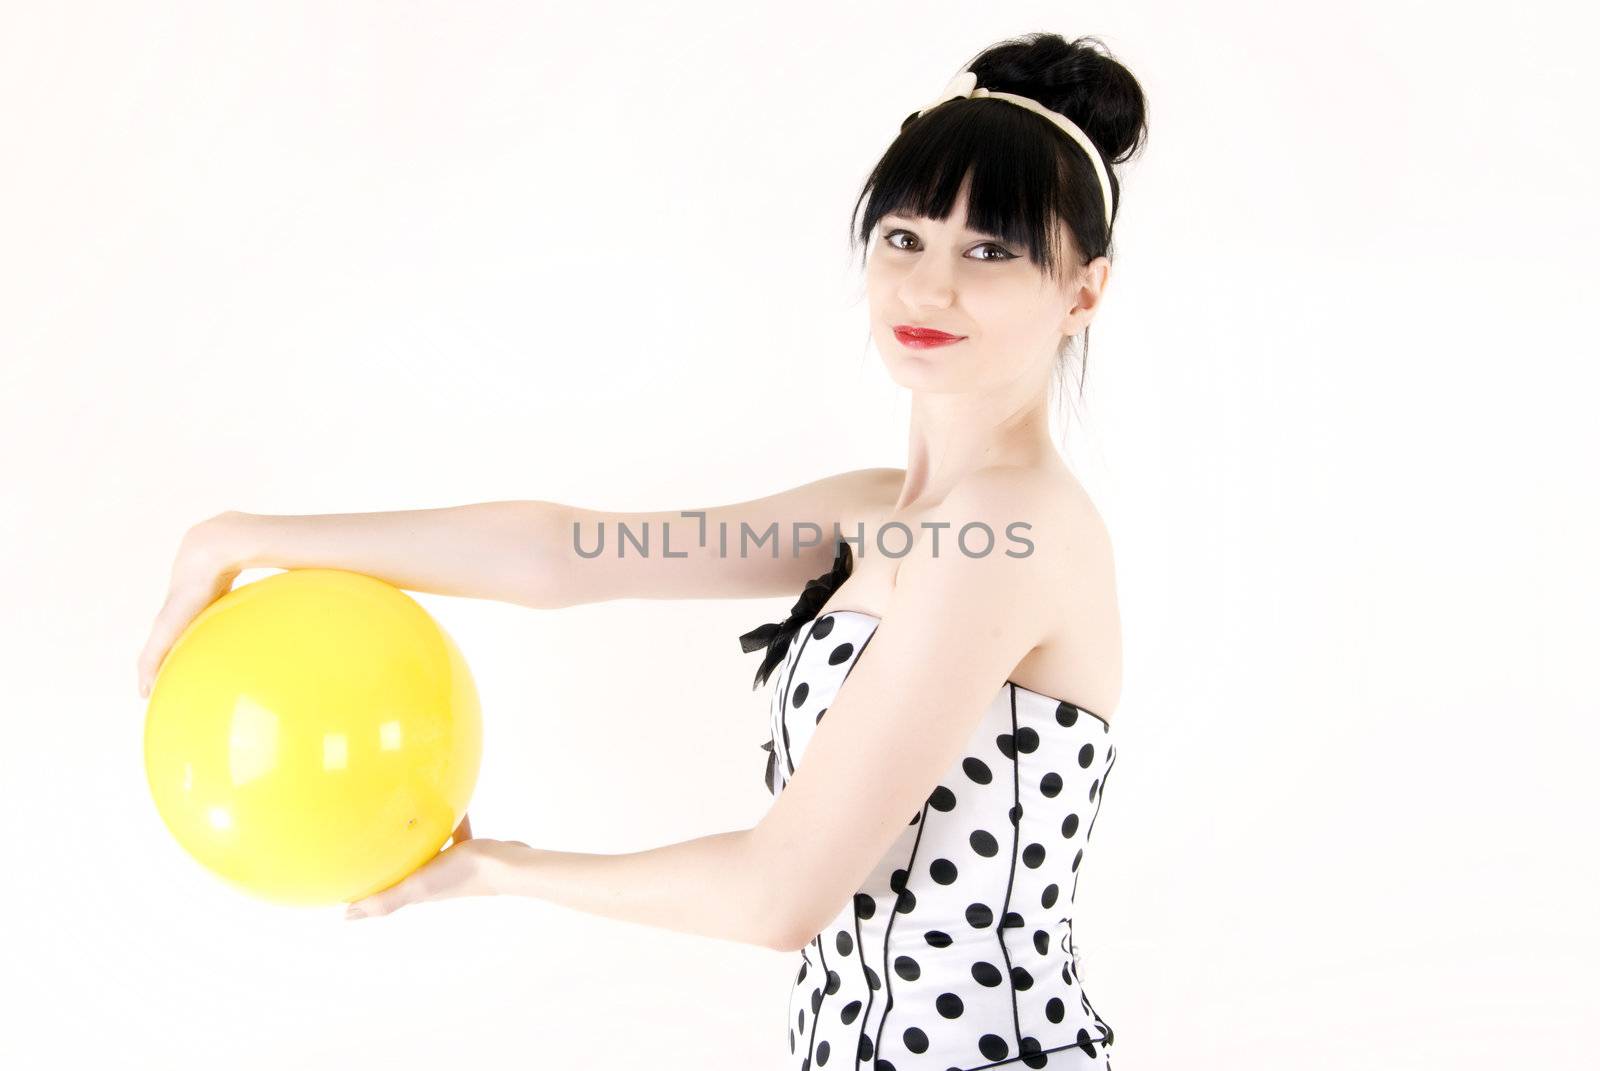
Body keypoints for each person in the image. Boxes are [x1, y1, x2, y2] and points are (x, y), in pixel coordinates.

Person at [136, 30, 1146, 1071]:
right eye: (904, 237)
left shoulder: (1007, 534)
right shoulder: (880, 519)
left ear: (1081, 292)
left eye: (991, 251)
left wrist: (502, 870)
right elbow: (572, 556)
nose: (929, 289)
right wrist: (243, 537)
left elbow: (776, 896)